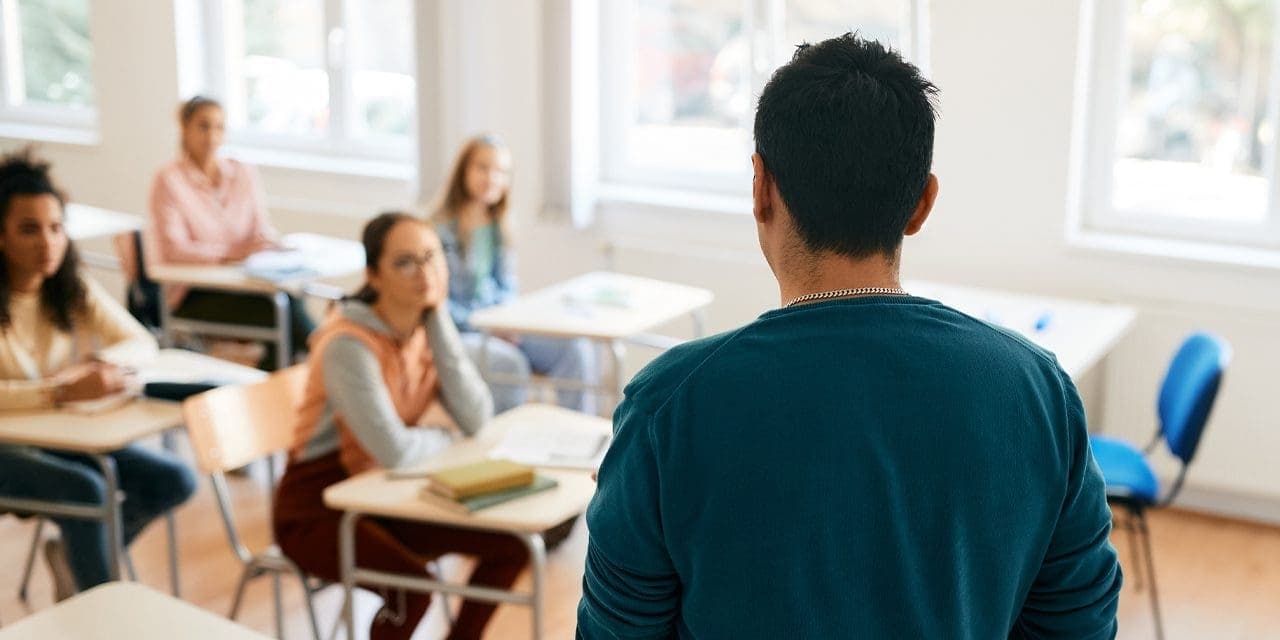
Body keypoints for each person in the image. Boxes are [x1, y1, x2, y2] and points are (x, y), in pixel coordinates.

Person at [578, 34, 1122, 638]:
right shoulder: (1038, 392)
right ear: (922, 204)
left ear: (760, 187)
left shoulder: (668, 406)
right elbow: (1079, 625)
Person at [273, 212, 528, 640]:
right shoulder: (347, 345)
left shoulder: (425, 326)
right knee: (412, 590)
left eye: (432, 257)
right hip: (317, 510)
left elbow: (477, 417)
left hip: (387, 495)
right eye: (405, 262)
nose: (424, 272)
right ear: (373, 275)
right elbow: (394, 449)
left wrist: (439, 319)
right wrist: (443, 438)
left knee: (514, 546)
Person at [0, 149, 197, 600]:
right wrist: (58, 392)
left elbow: (139, 341)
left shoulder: (67, 285)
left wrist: (105, 369)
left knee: (174, 479)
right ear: (1, 236)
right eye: (29, 230)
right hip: (8, 447)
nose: (47, 243)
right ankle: (100, 608)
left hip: (55, 434)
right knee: (87, 489)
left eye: (56, 228)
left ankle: (78, 561)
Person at [431, 134, 598, 413]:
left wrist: (508, 323)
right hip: (461, 330)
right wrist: (487, 326)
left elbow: (507, 286)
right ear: (463, 171)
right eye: (483, 167)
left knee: (573, 347)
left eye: (501, 172)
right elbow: (436, 306)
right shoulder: (437, 231)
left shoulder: (500, 227)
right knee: (510, 364)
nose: (492, 178)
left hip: (500, 323)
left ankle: (579, 437)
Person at [146, 95, 314, 369]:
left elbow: (260, 228)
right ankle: (318, 356)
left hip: (246, 284)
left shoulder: (242, 172)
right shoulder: (169, 180)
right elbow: (175, 249)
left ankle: (285, 379)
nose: (212, 136)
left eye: (219, 127)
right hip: (194, 293)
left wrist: (270, 245)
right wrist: (231, 253)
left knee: (288, 302)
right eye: (203, 126)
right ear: (184, 128)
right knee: (281, 312)